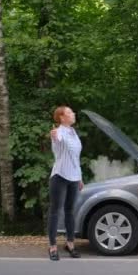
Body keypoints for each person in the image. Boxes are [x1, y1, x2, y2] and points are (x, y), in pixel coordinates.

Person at [47, 106, 84, 261]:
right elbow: (57, 144)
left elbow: (75, 157)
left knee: (70, 211)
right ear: (62, 117)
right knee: (55, 211)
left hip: (74, 177)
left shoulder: (73, 133)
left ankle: (70, 243)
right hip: (60, 176)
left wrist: (80, 177)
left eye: (72, 112)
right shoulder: (58, 132)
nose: (73, 114)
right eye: (70, 112)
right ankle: (53, 246)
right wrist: (54, 136)